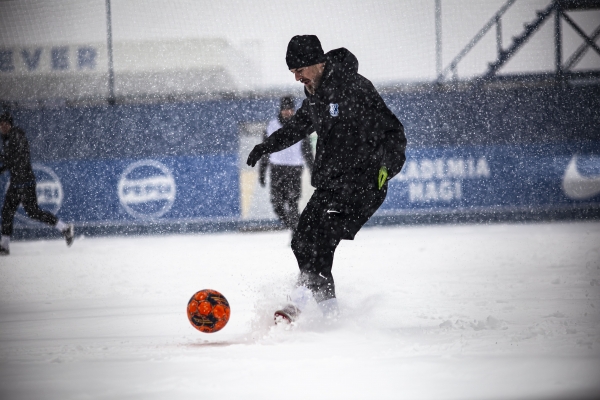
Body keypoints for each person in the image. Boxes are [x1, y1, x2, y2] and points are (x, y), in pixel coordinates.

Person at [246, 35, 406, 322]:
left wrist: (386, 168)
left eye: (299, 70)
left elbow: (393, 131)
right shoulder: (315, 95)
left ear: (318, 62)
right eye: (292, 72)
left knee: (322, 240)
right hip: (331, 184)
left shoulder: (354, 87)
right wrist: (265, 147)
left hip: (362, 183)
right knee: (301, 241)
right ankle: (331, 316)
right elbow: (296, 128)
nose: (297, 78)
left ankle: (297, 303)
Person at [0, 111, 74, 255]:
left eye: (4, 124)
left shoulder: (16, 136)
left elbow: (16, 158)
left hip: (25, 182)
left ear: (9, 124)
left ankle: (64, 228)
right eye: (0, 125)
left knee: (32, 212)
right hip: (17, 182)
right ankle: (4, 245)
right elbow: (11, 160)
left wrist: (2, 161)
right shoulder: (7, 138)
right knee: (8, 212)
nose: (2, 127)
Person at [258, 96, 314, 231]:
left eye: (290, 109)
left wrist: (313, 170)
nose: (287, 112)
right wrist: (262, 172)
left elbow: (307, 151)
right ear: (280, 110)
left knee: (292, 202)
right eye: (285, 109)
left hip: (295, 169)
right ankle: (296, 227)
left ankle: (297, 232)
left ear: (294, 110)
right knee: (276, 204)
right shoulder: (271, 126)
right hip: (276, 168)